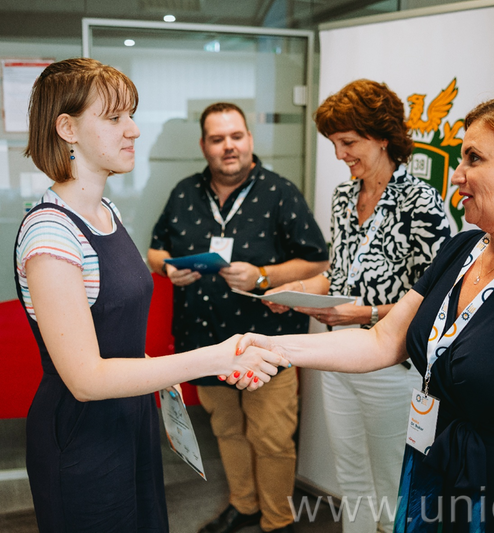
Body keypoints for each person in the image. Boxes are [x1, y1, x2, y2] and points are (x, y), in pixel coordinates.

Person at [232, 89, 494, 532]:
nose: (457, 175)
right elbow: (383, 340)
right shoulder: (462, 250)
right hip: (431, 471)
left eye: (474, 159)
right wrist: (271, 347)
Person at [14, 59, 287, 533]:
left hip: (129, 416)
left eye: (132, 116)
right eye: (114, 118)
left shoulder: (107, 212)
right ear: (67, 129)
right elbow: (86, 379)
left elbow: (110, 332)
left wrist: (153, 371)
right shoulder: (51, 235)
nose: (134, 130)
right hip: (83, 434)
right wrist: (211, 358)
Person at [264, 79, 450, 533]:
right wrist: (298, 290)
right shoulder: (345, 196)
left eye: (348, 142)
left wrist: (365, 314)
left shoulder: (421, 201)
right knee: (350, 474)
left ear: (382, 137)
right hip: (338, 353)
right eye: (333, 143)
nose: (339, 154)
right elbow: (341, 272)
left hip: (391, 362)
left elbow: (440, 296)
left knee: (391, 479)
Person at [147, 102, 329, 533]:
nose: (228, 146)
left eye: (236, 136)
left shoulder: (280, 192)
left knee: (271, 437)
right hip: (204, 342)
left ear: (249, 139)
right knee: (227, 431)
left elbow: (318, 262)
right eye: (218, 139)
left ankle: (278, 520)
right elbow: (155, 250)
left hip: (267, 343)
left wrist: (264, 274)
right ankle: (244, 504)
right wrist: (167, 267)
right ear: (204, 146)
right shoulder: (184, 193)